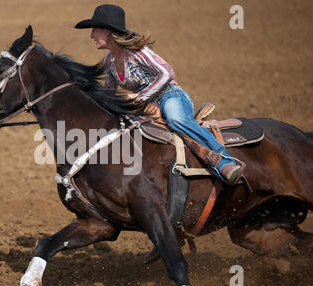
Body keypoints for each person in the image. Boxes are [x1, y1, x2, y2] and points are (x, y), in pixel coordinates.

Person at [74, 4, 244, 184]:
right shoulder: (109, 61)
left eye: (94, 30)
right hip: (145, 106)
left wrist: (141, 96)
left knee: (176, 120)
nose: (91, 35)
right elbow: (109, 93)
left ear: (107, 32)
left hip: (170, 96)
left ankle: (225, 161)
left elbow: (167, 73)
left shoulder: (137, 52)